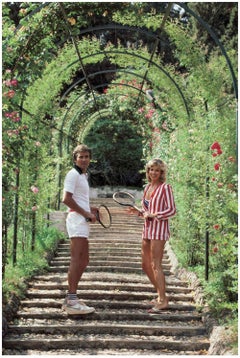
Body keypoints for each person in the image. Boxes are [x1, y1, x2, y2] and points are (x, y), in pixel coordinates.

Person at [62, 144, 97, 315]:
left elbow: (79, 198)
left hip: (82, 220)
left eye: (86, 157)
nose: (84, 159)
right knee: (76, 260)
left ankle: (71, 297)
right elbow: (66, 199)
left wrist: (91, 210)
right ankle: (71, 300)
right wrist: (85, 213)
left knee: (84, 261)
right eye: (80, 157)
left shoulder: (83, 175)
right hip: (76, 220)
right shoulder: (73, 174)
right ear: (75, 158)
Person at [140, 158, 176, 312]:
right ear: (148, 171)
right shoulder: (147, 188)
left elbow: (172, 210)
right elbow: (145, 210)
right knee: (145, 264)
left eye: (157, 170)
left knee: (156, 264)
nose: (154, 172)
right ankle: (162, 294)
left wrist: (155, 214)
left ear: (161, 172)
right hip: (147, 229)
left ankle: (162, 300)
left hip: (159, 230)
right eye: (151, 169)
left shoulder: (165, 188)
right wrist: (139, 212)